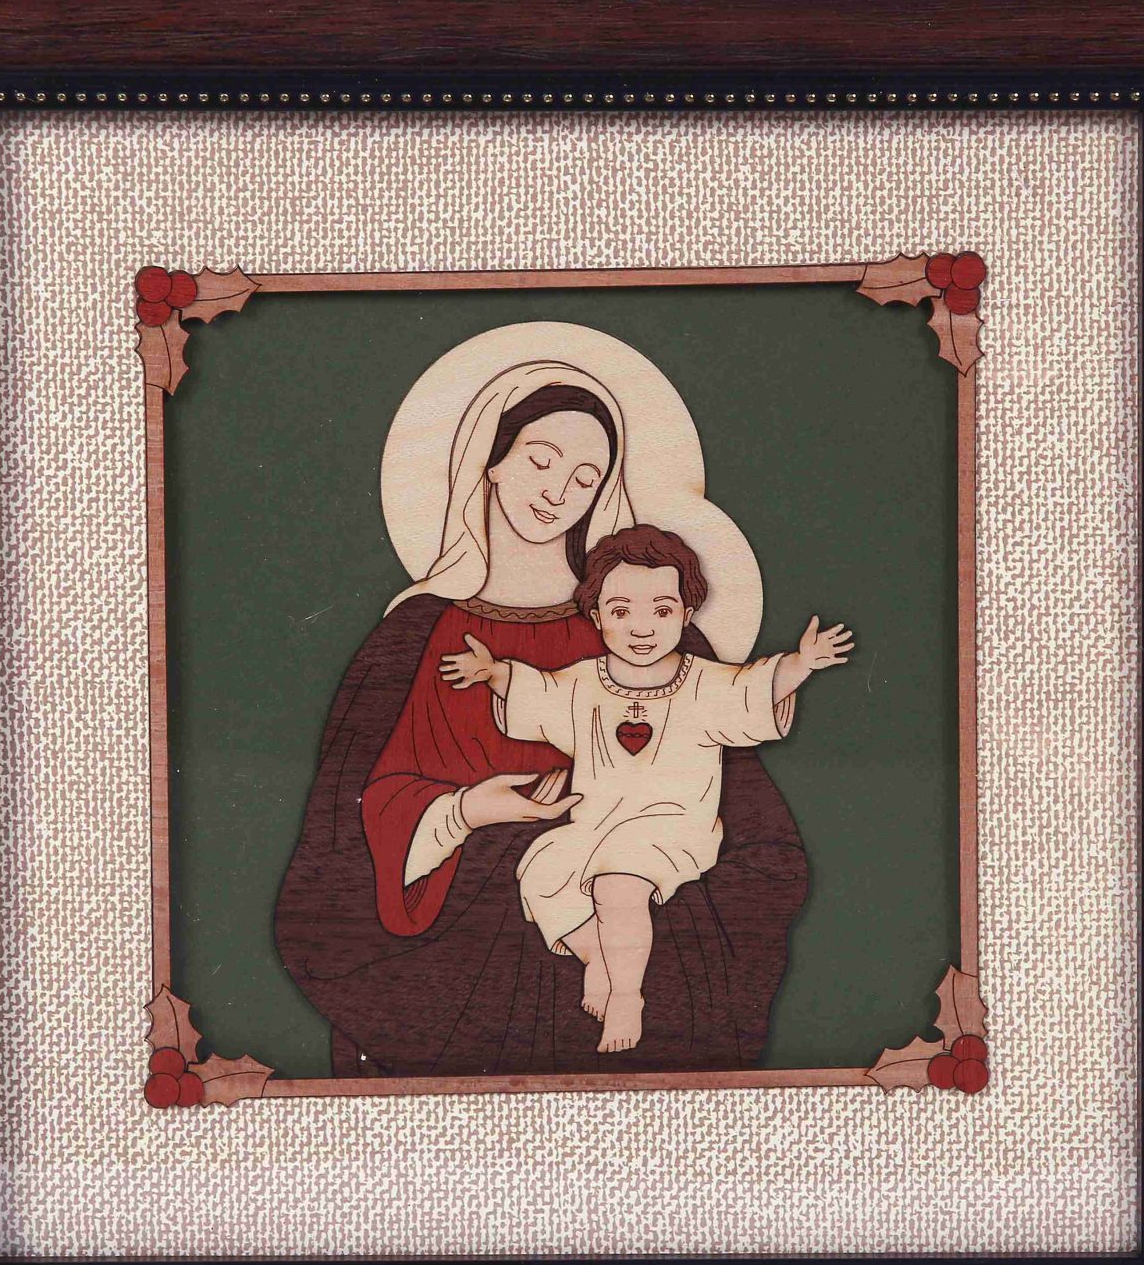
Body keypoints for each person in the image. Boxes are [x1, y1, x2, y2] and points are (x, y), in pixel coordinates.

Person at [273, 358, 813, 1076]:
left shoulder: (641, 626)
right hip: (461, 942)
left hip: (643, 909)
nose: (558, 492)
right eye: (540, 460)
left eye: (586, 478)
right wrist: (468, 812)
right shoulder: (413, 636)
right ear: (492, 461)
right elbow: (341, 840)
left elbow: (759, 838)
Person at [440, 524, 852, 1051]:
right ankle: (599, 957)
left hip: (673, 828)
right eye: (621, 611)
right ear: (596, 617)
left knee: (618, 885)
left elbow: (753, 689)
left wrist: (801, 664)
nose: (642, 628)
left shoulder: (704, 683)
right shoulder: (583, 683)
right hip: (594, 827)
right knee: (538, 874)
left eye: (661, 610)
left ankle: (626, 997)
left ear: (686, 614)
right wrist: (494, 672)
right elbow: (538, 694)